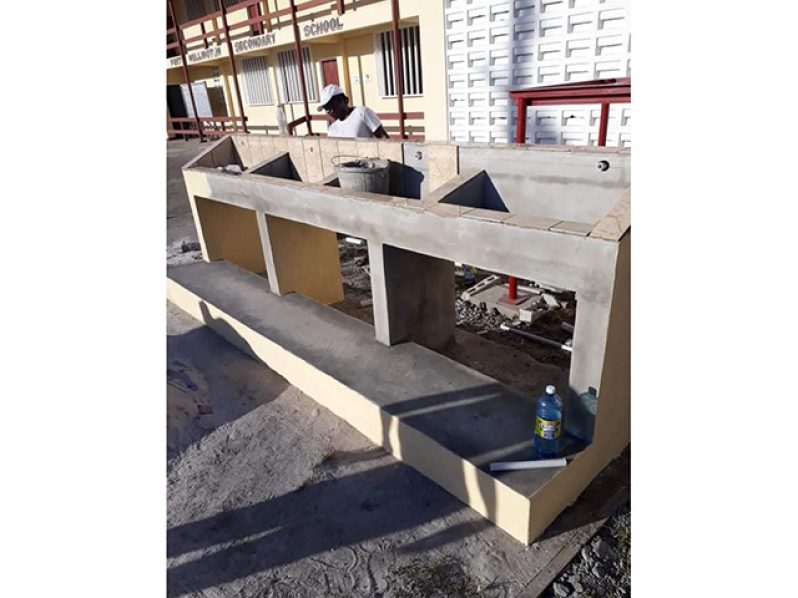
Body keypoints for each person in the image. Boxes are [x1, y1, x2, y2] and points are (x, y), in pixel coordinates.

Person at [317, 84, 390, 139]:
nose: (330, 111)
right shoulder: (332, 129)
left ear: (345, 100)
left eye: (332, 105)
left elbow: (384, 140)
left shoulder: (362, 113)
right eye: (326, 108)